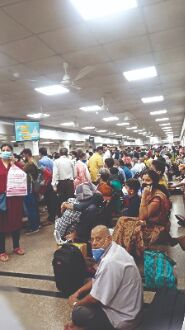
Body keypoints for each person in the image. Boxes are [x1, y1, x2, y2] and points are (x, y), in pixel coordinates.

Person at [64, 225, 142, 330]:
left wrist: (75, 304)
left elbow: (94, 299)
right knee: (85, 292)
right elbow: (97, 278)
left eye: (98, 238)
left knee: (78, 313)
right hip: (128, 308)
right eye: (92, 239)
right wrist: (77, 292)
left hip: (123, 319)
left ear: (109, 239)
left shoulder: (110, 262)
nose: (94, 243)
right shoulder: (114, 249)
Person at [113, 169, 174, 256]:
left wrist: (144, 197)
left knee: (124, 222)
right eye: (143, 180)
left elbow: (142, 217)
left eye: (148, 180)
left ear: (154, 182)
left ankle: (122, 253)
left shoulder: (157, 197)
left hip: (155, 227)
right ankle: (118, 250)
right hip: (149, 223)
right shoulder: (151, 192)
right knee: (122, 220)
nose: (144, 183)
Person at [0, 144, 25, 262]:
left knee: (16, 222)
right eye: (3, 150)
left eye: (8, 150)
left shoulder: (16, 165)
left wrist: (14, 163)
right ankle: (2, 251)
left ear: (12, 152)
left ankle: (16, 246)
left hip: (15, 199)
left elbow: (23, 177)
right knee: (2, 224)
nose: (5, 152)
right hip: (2, 199)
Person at [21, 148, 40, 234]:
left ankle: (34, 227)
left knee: (30, 208)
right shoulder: (34, 161)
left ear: (26, 154)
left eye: (23, 155)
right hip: (34, 186)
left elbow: (21, 172)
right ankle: (37, 224)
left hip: (29, 187)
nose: (23, 157)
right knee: (34, 207)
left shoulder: (29, 163)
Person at [52, 147, 76, 214]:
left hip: (61, 183)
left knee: (62, 200)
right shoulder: (71, 161)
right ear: (67, 153)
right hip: (70, 183)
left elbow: (55, 174)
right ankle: (71, 215)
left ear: (60, 153)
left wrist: (54, 185)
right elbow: (75, 174)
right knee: (70, 200)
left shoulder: (56, 161)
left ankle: (62, 216)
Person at [38, 147, 57, 224]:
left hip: (46, 182)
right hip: (52, 181)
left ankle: (51, 218)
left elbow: (41, 173)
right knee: (52, 199)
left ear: (40, 153)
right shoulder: (51, 160)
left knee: (48, 200)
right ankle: (53, 216)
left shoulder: (40, 161)